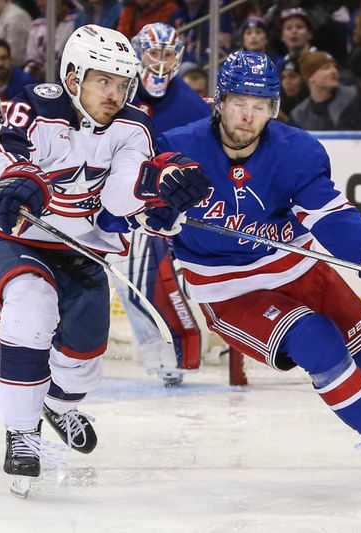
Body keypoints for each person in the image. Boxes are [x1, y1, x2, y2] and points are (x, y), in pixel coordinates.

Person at [155, 50, 361, 482]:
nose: (247, 116)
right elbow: (133, 205)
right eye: (239, 103)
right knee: (317, 340)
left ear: (273, 109)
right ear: (218, 102)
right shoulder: (178, 147)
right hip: (229, 290)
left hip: (299, 268)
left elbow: (331, 217)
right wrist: (155, 211)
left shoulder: (297, 151)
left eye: (260, 107)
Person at [0, 24, 209, 491]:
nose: (115, 93)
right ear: (74, 75)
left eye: (123, 83)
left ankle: (58, 406)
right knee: (30, 307)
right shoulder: (37, 105)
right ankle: (22, 432)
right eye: (105, 81)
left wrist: (155, 188)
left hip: (83, 254)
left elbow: (123, 192)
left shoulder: (133, 125)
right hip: (19, 244)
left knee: (84, 362)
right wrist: (15, 179)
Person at [113, 22, 212, 385]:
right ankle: (165, 354)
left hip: (164, 205)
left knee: (147, 280)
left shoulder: (188, 104)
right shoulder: (117, 91)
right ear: (139, 53)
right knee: (128, 281)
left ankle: (174, 353)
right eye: (154, 52)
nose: (160, 62)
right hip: (117, 196)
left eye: (168, 54)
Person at [288, 49, 354, 131]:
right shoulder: (299, 116)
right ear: (310, 77)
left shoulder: (355, 98)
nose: (334, 71)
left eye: (335, 67)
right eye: (326, 68)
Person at [23, 0, 77, 81]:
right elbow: (32, 59)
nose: (40, 4)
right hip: (40, 79)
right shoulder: (36, 25)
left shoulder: (76, 20)